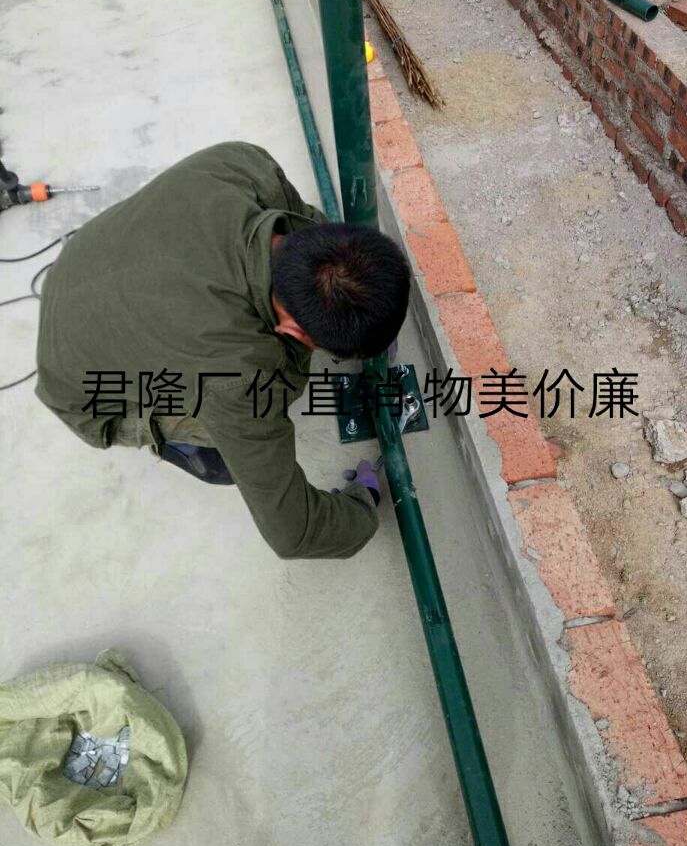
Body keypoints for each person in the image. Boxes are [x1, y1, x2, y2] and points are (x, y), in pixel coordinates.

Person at [35, 142, 411, 560]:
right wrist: (363, 503)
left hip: (80, 268)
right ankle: (185, 444)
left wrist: (360, 321)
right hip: (86, 395)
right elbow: (295, 533)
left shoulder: (243, 166)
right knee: (252, 421)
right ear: (292, 328)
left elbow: (312, 231)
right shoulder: (240, 378)